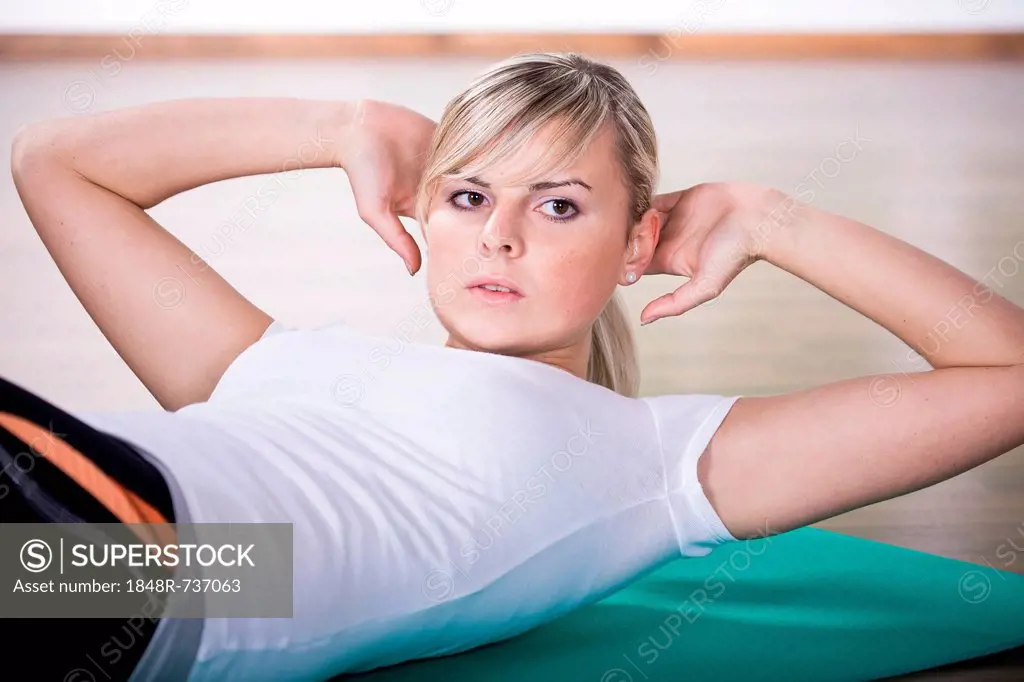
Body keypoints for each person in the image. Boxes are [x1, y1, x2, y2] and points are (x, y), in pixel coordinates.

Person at [5, 51, 1023, 682]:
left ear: (637, 243)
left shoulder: (658, 461)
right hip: (77, 512)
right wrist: (337, 127)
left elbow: (1004, 375)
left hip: (136, 562)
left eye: (560, 203)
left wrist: (770, 218)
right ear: (426, 213)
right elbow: (55, 162)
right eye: (467, 196)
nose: (499, 235)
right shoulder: (268, 362)